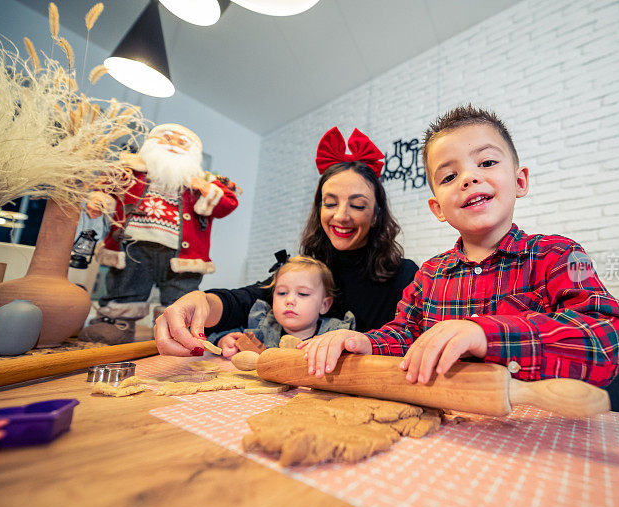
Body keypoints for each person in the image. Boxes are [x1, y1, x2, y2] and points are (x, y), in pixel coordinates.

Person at [301, 105, 619, 386]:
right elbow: (404, 335)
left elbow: (610, 336)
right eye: (449, 177)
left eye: (487, 163)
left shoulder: (556, 256)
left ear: (520, 181)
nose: (468, 178)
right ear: (438, 208)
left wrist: (485, 334)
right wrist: (365, 342)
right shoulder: (430, 275)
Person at [154, 127, 418, 357]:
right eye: (330, 203)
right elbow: (248, 299)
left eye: (358, 205)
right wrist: (203, 301)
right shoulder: (306, 269)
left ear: (376, 215)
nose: (341, 216)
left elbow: (411, 339)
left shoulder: (405, 275)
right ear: (318, 210)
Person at [79, 124, 240, 345]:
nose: (173, 144)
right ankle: (116, 324)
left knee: (180, 294)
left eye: (182, 142)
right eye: (167, 139)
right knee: (125, 287)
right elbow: (105, 188)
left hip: (183, 256)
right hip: (133, 245)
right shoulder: (129, 170)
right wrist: (99, 199)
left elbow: (228, 203)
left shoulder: (202, 180)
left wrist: (204, 188)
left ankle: (175, 332)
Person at [210, 256, 355, 358]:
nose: (289, 300)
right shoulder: (264, 325)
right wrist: (224, 341)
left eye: (303, 294)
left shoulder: (334, 332)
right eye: (282, 293)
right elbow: (217, 336)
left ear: (324, 305)